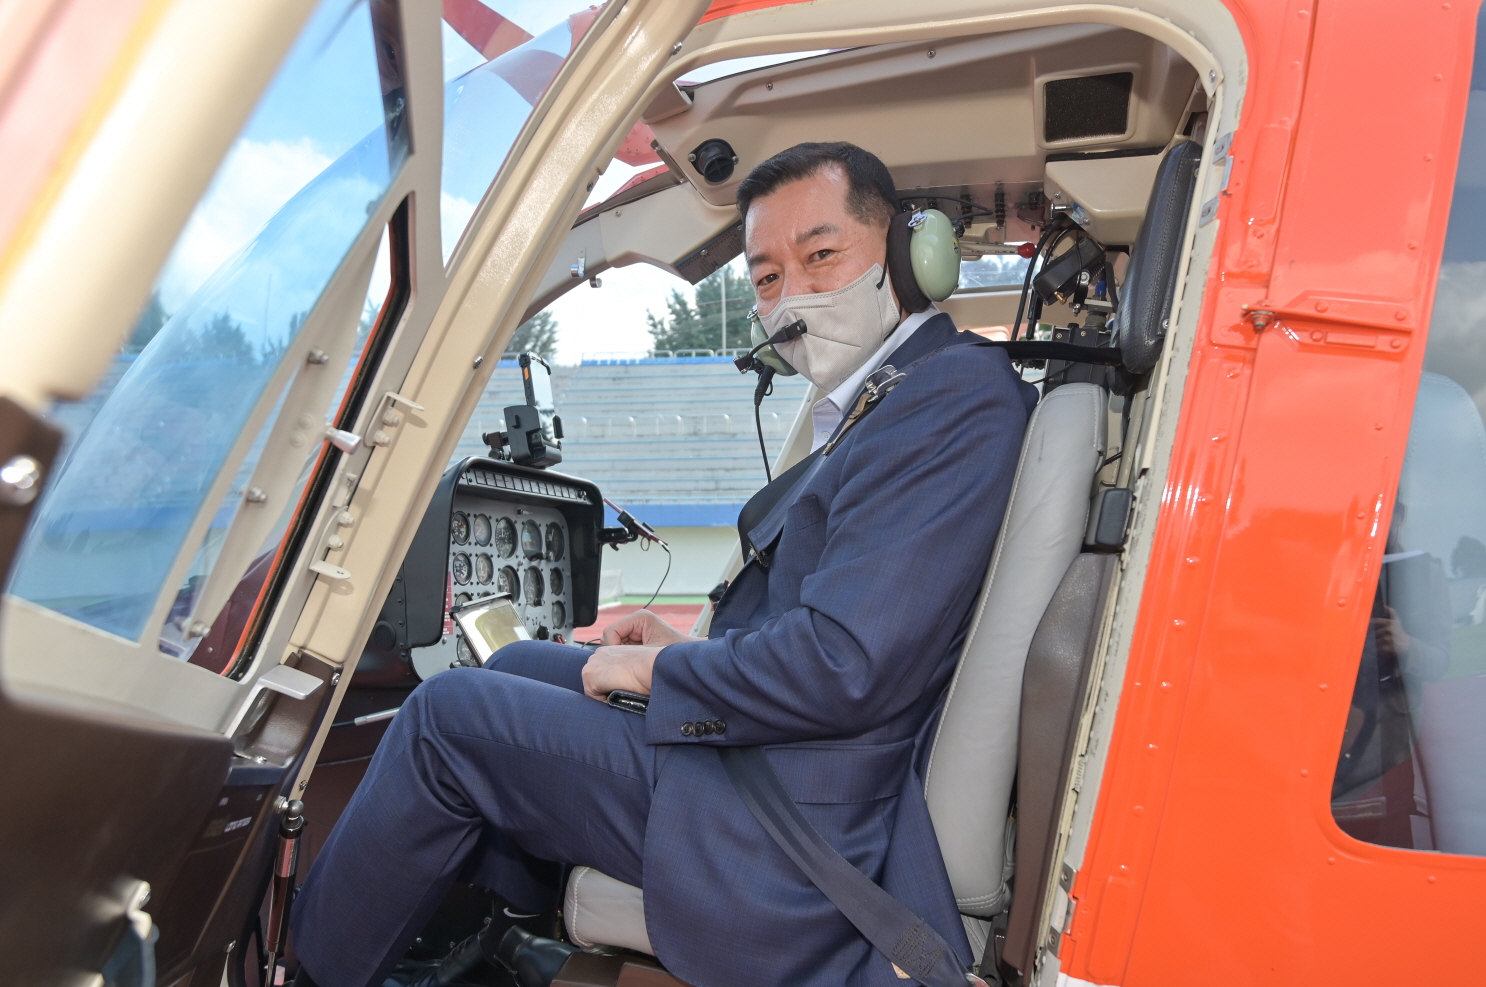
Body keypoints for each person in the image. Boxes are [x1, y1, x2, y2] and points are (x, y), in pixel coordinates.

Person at [290, 142, 1038, 987]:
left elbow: (845, 664)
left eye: (822, 255)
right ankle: (494, 938)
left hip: (792, 812)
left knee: (447, 717)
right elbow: (842, 618)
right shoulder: (890, 398)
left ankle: (308, 975)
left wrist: (658, 670)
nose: (792, 296)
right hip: (785, 754)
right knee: (517, 662)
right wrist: (682, 647)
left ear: (906, 255)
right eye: (766, 277)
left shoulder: (948, 397)